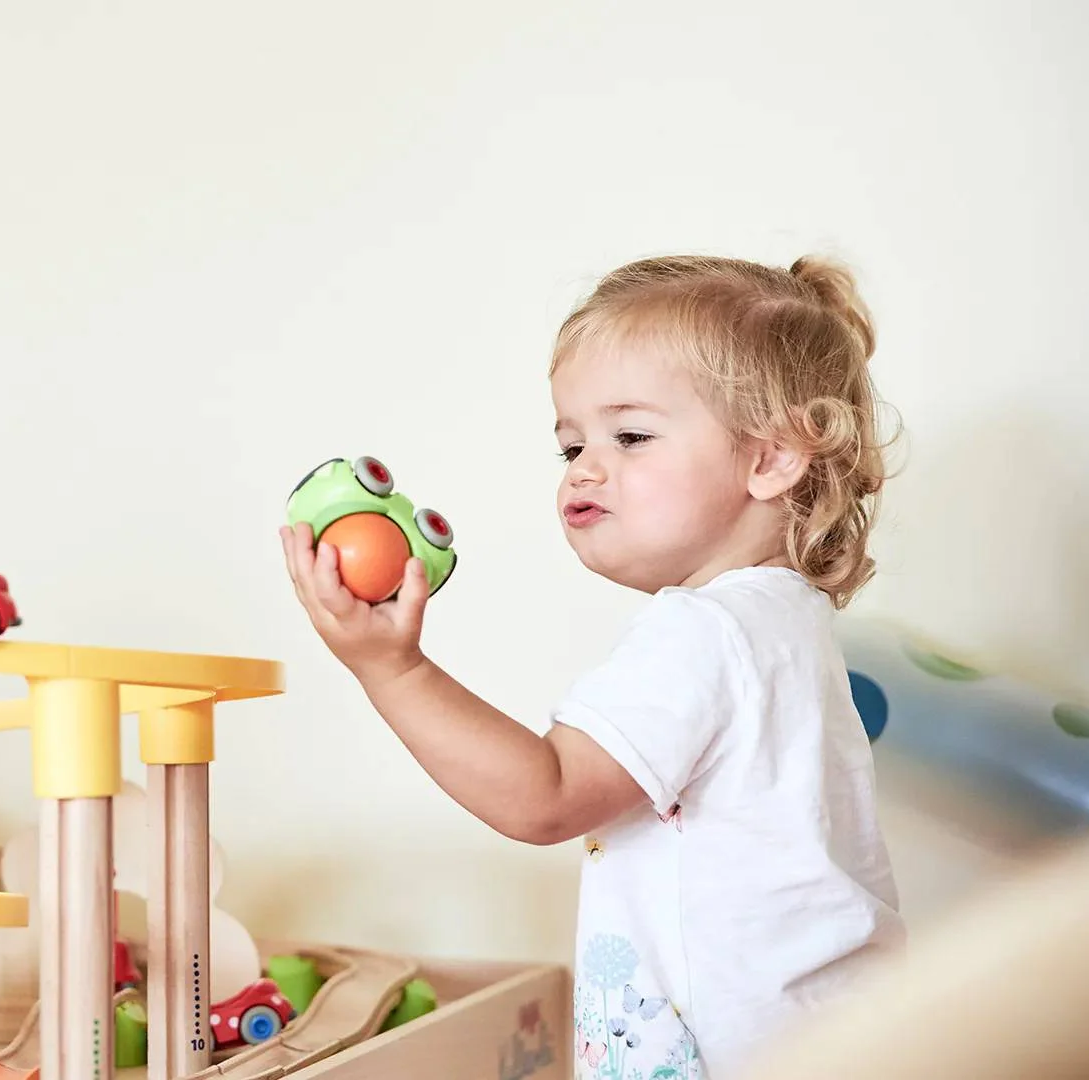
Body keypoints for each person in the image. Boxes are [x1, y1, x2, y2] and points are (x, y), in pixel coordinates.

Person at [279, 254, 907, 1079]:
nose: (584, 466)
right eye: (571, 444)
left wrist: (391, 669)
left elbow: (546, 795)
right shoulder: (788, 623)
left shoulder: (704, 631)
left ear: (770, 458)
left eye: (631, 436)